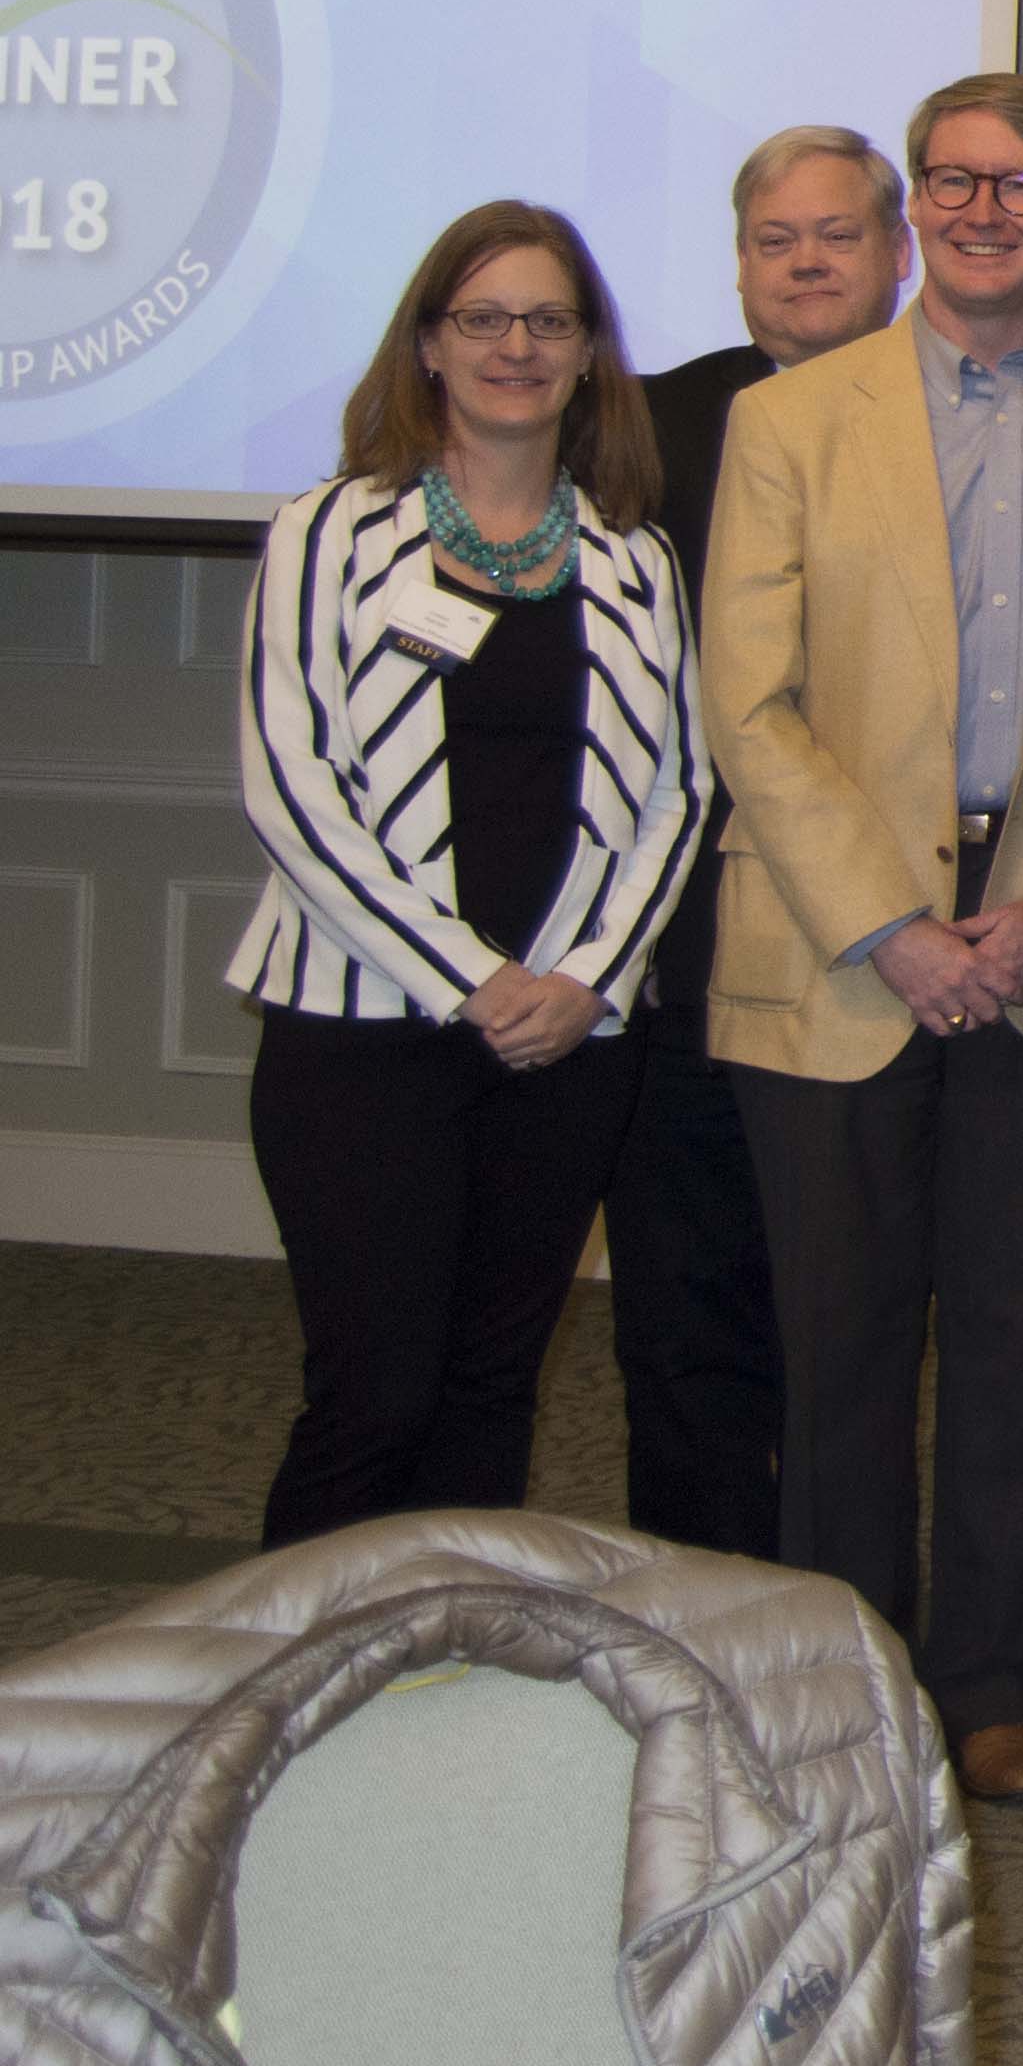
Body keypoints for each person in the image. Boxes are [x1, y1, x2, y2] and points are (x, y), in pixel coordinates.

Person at [701, 76, 1023, 1813]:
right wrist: (890, 924)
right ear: (916, 210)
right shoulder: (791, 418)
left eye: (1019, 185)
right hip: (840, 944)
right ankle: (850, 1690)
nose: (982, 212)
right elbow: (749, 702)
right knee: (843, 1347)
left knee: (1016, 1338)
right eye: (952, 181)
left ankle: (995, 1685)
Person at [229, 205, 720, 1545]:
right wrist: (473, 979)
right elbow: (291, 785)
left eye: (550, 320)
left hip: (566, 1041)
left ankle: (449, 1662)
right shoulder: (330, 532)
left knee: (491, 1393)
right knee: (372, 1397)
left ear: (589, 353)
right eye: (484, 318)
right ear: (430, 345)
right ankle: (302, 1662)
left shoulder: (633, 558)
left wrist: (587, 980)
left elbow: (678, 794)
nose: (518, 346)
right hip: (362, 1032)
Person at [614, 124, 909, 1558]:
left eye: (836, 235)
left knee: (854, 1323)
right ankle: (698, 1602)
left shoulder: (958, 415)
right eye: (773, 240)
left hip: (889, 945)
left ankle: (835, 1609)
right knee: (685, 1312)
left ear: (896, 253)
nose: (804, 264)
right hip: (683, 947)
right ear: (737, 265)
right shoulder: (645, 430)